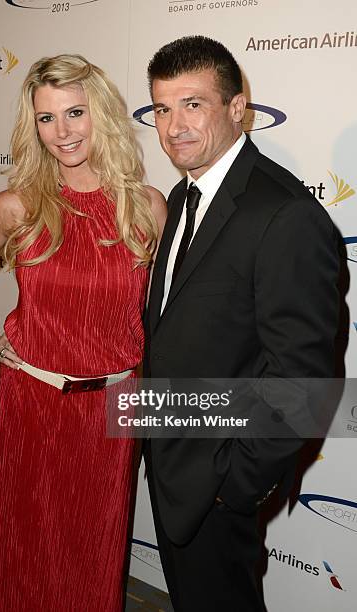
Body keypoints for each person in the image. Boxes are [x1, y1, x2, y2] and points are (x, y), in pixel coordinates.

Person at [0, 54, 166, 611]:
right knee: (26, 547)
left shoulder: (147, 207)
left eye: (75, 113)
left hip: (114, 407)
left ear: (103, 115)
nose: (62, 132)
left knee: (96, 551)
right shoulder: (18, 206)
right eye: (46, 118)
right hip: (33, 402)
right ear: (32, 126)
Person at [143, 36, 339, 611]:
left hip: (218, 482)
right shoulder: (184, 197)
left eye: (193, 104)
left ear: (237, 109)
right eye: (161, 108)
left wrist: (235, 485)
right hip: (171, 461)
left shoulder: (285, 214)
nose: (174, 125)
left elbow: (303, 379)